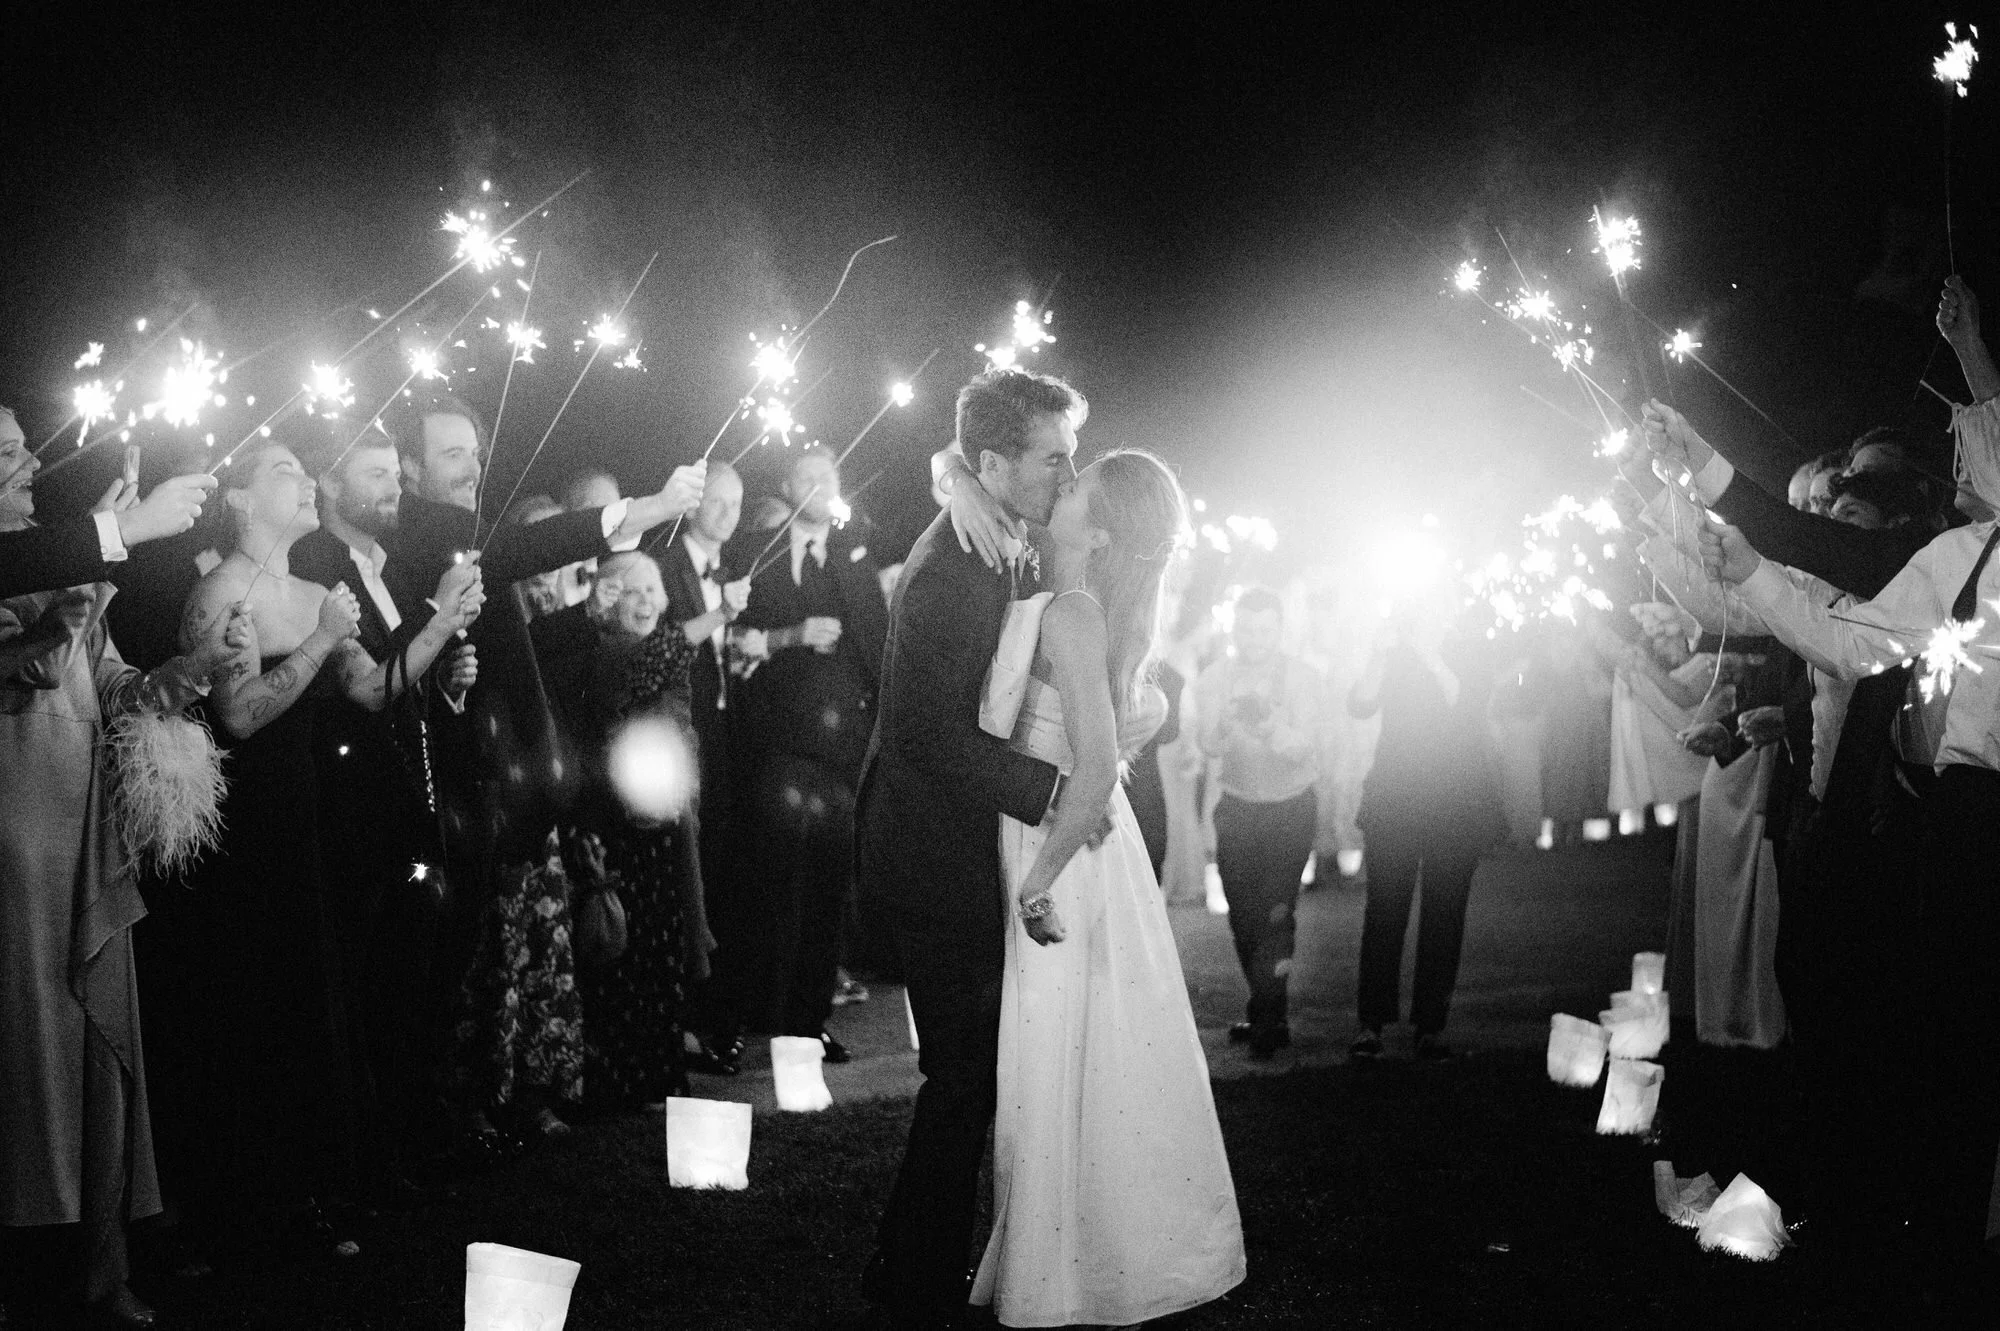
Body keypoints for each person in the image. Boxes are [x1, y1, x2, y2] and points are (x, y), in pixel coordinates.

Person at [144, 437, 482, 1264]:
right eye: (283, 471)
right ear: (241, 499)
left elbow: (372, 689)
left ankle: (310, 1188)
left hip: (311, 821)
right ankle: (252, 1203)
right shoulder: (220, 589)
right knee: (257, 1002)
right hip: (248, 830)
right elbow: (242, 714)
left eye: (302, 469)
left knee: (313, 997)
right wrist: (319, 640)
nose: (300, 481)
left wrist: (440, 625)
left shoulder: (310, 589)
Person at [968, 448, 1244, 1326]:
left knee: (1059, 1049)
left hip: (1063, 848)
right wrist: (951, 472)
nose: (1062, 485)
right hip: (1083, 844)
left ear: (1104, 525)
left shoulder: (1077, 614)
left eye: (1077, 486)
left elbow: (1091, 773)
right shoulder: (1087, 604)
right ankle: (1075, 1253)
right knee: (1087, 1045)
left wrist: (1036, 886)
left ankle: (1070, 1269)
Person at [0, 433, 243, 1329]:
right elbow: (27, 659)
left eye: (27, 447)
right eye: (5, 452)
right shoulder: (35, 570)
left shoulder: (65, 567)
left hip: (81, 841)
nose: (29, 465)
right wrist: (112, 545)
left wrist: (173, 680)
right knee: (24, 1061)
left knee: (97, 1051)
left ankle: (98, 1273)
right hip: (12, 844)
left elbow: (99, 679)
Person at [857, 368, 1075, 1324]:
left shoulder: (1005, 535)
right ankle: (911, 1284)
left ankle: (918, 1271)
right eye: (1053, 458)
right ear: (994, 463)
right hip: (934, 856)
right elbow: (924, 736)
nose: (1069, 475)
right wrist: (1051, 788)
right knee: (964, 1075)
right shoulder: (949, 570)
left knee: (975, 1074)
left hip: (969, 847)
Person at [291, 432, 477, 1190]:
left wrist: (449, 677)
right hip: (354, 803)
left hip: (407, 796)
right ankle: (375, 1156)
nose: (395, 484)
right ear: (329, 485)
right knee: (374, 982)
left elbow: (406, 680)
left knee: (412, 974)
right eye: (374, 473)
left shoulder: (379, 565)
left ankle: (414, 1131)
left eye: (395, 471)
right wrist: (438, 618)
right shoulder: (319, 563)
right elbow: (365, 690)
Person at [735, 446, 886, 1060]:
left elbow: (878, 653)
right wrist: (787, 638)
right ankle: (760, 1008)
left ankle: (809, 1017)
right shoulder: (758, 555)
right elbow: (733, 638)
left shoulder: (856, 561)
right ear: (788, 487)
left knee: (827, 886)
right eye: (807, 478)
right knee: (770, 878)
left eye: (829, 478)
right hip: (771, 744)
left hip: (839, 756)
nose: (819, 487)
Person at [573, 550, 710, 1108]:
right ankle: (624, 1078)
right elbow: (657, 658)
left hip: (664, 822)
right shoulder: (607, 656)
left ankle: (661, 1070)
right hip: (620, 825)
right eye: (633, 591)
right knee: (627, 952)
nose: (649, 601)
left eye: (655, 589)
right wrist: (720, 613)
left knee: (663, 948)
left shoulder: (661, 657)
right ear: (607, 601)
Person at [1346, 595, 1502, 1061]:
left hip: (1455, 803)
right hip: (1394, 798)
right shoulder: (1393, 653)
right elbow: (1359, 705)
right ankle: (1371, 1023)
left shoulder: (1472, 648)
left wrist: (1429, 652)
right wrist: (1379, 652)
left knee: (1444, 913)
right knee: (1384, 911)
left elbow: (1468, 707)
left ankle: (1429, 1025)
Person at [1194, 586, 1323, 1059]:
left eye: (1265, 630)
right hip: (1238, 806)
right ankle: (1267, 1005)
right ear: (1234, 629)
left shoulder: (1304, 678)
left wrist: (1270, 726)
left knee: (1277, 912)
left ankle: (1269, 1017)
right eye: (1247, 630)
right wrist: (1228, 726)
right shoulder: (1215, 678)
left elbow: (1307, 749)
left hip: (1290, 807)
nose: (1255, 640)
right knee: (1243, 915)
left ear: (1279, 630)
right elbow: (1207, 744)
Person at [655, 461, 754, 1073]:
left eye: (738, 502)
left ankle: (721, 1015)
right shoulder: (665, 567)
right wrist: (721, 617)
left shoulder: (727, 569)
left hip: (719, 732)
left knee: (721, 873)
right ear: (692, 506)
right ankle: (688, 1022)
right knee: (689, 876)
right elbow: (660, 643)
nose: (729, 513)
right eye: (717, 501)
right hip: (675, 737)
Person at [0, 405, 218, 600]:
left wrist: (112, 538)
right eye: (9, 452)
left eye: (25, 447)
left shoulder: (29, 531)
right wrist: (127, 525)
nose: (35, 461)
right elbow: (59, 641)